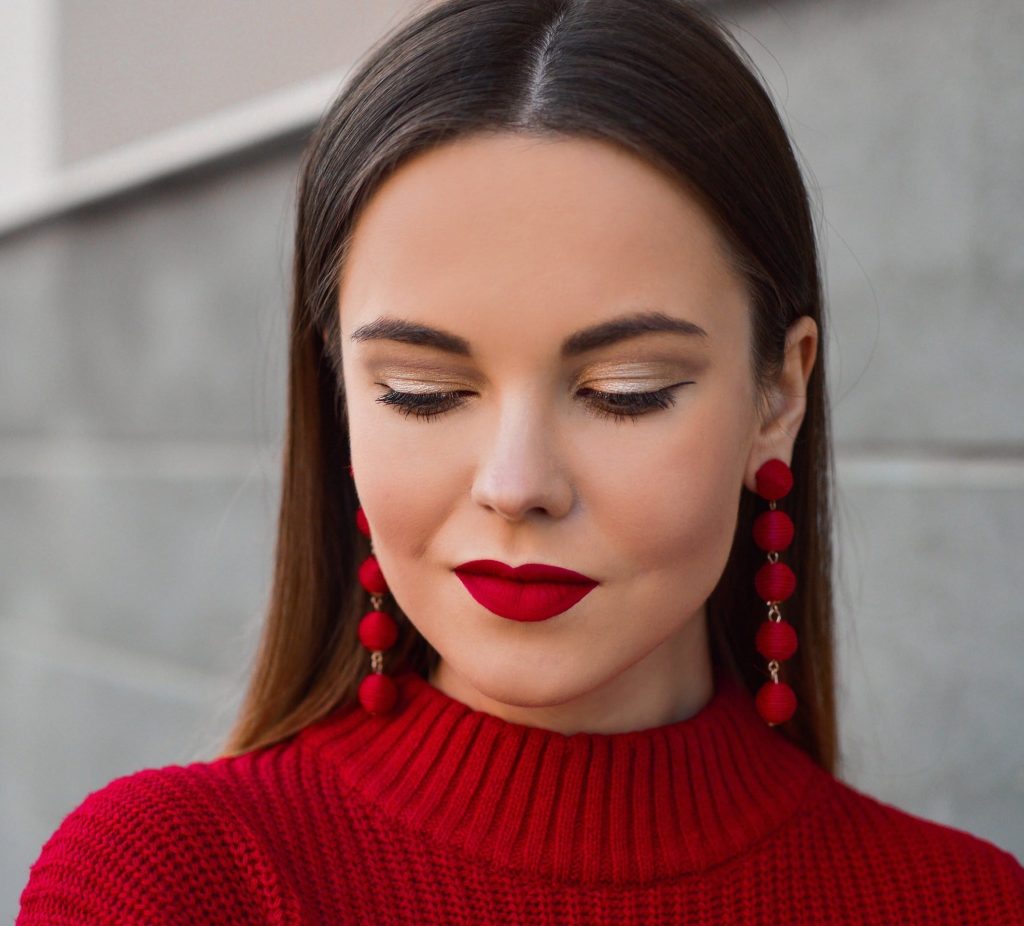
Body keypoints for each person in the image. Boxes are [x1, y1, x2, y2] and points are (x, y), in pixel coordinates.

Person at [17, 0, 1024, 923]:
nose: (515, 483)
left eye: (625, 390)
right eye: (422, 392)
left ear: (780, 392)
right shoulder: (166, 883)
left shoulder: (964, 900)